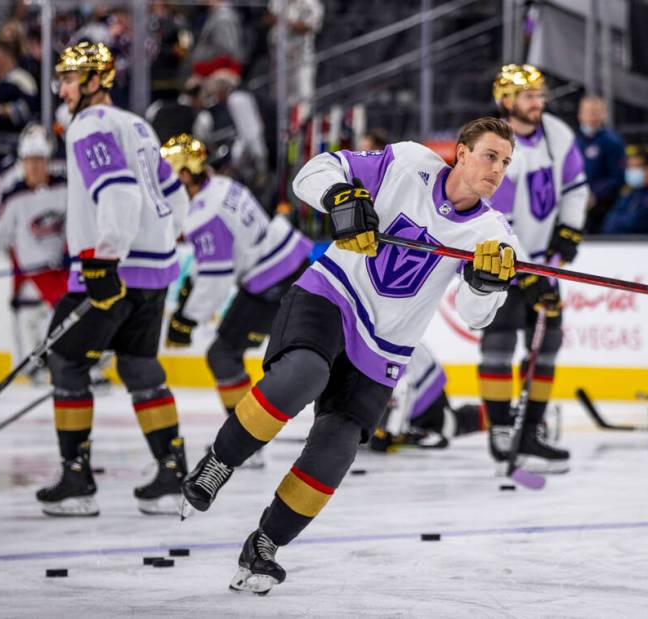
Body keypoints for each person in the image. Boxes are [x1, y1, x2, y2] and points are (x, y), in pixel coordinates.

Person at [181, 117, 522, 594]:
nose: (497, 169)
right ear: (461, 153)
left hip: (384, 346)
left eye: (505, 162)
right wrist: (341, 198)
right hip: (333, 297)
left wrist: (486, 283)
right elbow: (313, 172)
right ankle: (218, 462)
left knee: (336, 450)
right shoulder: (406, 162)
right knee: (302, 374)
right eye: (490, 155)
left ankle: (264, 545)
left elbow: (476, 315)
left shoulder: (494, 235)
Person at [36, 42, 191, 518]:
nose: (61, 88)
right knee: (140, 364)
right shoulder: (138, 125)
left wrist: (105, 258)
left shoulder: (90, 124)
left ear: (93, 81)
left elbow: (119, 191)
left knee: (65, 360)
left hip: (112, 270)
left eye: (68, 78)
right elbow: (175, 197)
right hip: (154, 270)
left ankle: (77, 481)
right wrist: (157, 244)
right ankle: (172, 477)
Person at [161, 133, 313, 468]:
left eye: (169, 175)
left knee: (222, 355)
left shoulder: (202, 214)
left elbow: (216, 278)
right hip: (290, 259)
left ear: (185, 175)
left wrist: (187, 318)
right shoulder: (221, 185)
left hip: (272, 278)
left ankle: (245, 440)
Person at [485, 64, 589, 474]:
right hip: (498, 258)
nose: (538, 103)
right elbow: (496, 214)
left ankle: (530, 432)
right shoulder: (496, 142)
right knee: (498, 345)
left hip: (543, 261)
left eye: (540, 96)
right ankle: (500, 432)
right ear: (506, 101)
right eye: (529, 97)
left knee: (546, 347)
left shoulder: (557, 134)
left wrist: (569, 233)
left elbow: (575, 188)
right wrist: (525, 270)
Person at [0, 123, 67, 383]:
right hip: (31, 268)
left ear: (47, 162)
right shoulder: (14, 197)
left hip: (63, 266)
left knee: (73, 311)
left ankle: (75, 363)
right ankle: (35, 363)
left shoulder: (65, 188)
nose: (34, 167)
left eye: (39, 161)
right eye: (29, 161)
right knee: (29, 310)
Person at [369, 342, 487, 452]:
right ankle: (497, 414)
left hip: (423, 394)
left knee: (449, 424)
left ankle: (497, 415)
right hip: (422, 382)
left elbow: (402, 386)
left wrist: (390, 432)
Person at [576, 94, 625, 234]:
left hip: (603, 207)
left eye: (595, 112)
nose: (591, 116)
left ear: (603, 115)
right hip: (577, 202)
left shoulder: (612, 142)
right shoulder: (574, 141)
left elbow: (617, 177)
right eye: (588, 111)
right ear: (580, 114)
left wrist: (594, 195)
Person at [600, 149, 648, 235]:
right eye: (629, 167)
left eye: (635, 167)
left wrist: (618, 223)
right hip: (627, 244)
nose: (631, 171)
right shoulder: (630, 193)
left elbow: (635, 223)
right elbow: (610, 219)